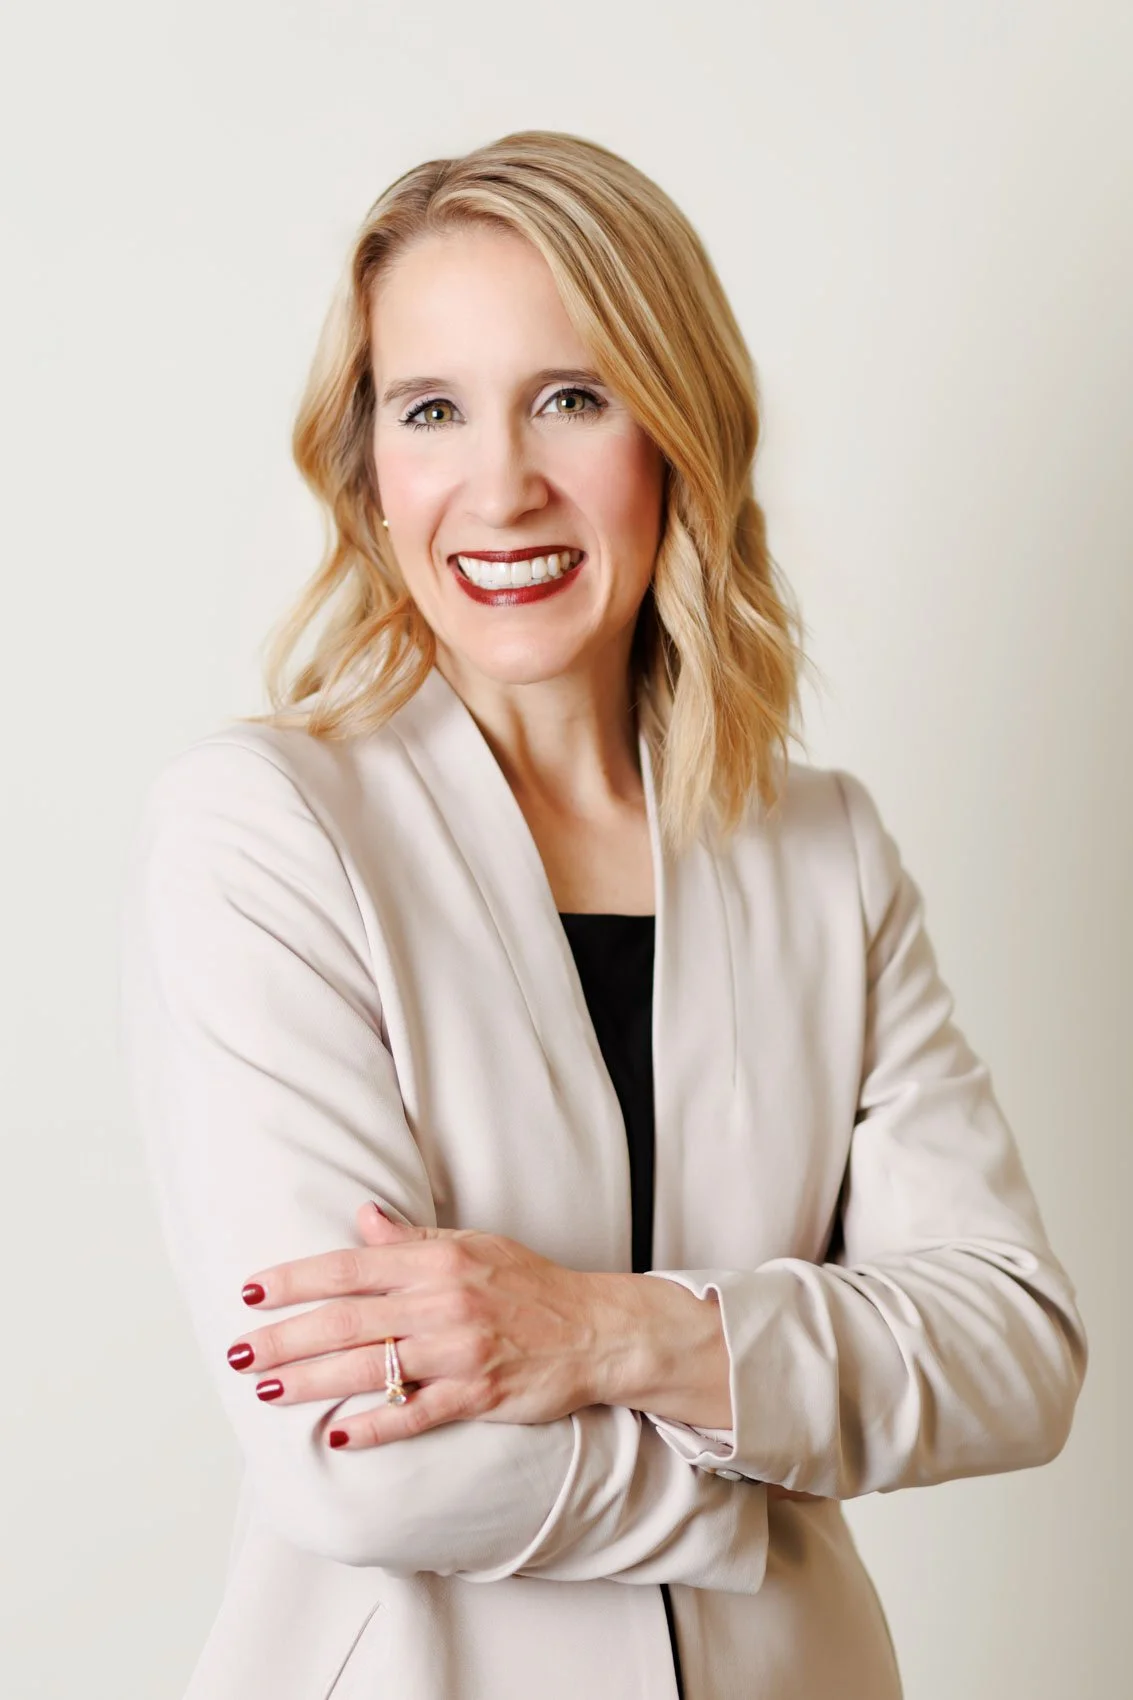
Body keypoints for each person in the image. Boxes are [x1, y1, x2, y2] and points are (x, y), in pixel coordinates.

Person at [118, 130, 1088, 1700]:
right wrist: (763, 1477)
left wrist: (608, 1332)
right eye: (431, 410)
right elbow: (362, 1460)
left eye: (573, 397)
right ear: (371, 471)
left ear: (677, 432)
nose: (502, 487)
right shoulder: (266, 832)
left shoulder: (822, 851)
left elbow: (1013, 1352)